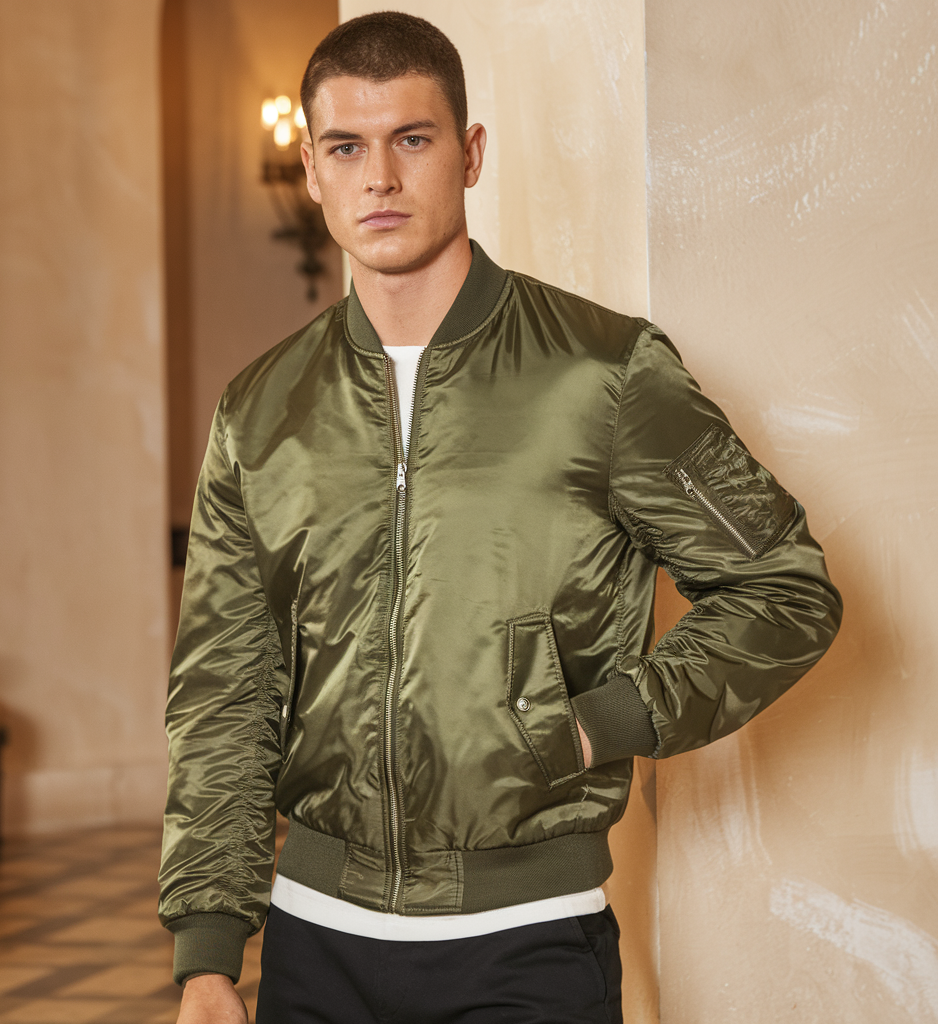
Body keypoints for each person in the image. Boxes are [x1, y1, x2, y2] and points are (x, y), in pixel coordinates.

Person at [159, 12, 842, 1024]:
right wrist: (208, 951)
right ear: (310, 170)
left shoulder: (602, 376)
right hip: (313, 946)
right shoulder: (260, 412)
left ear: (469, 153)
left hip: (528, 944)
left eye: (412, 139)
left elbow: (785, 590)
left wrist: (601, 721)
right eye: (345, 147)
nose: (379, 178)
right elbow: (226, 687)